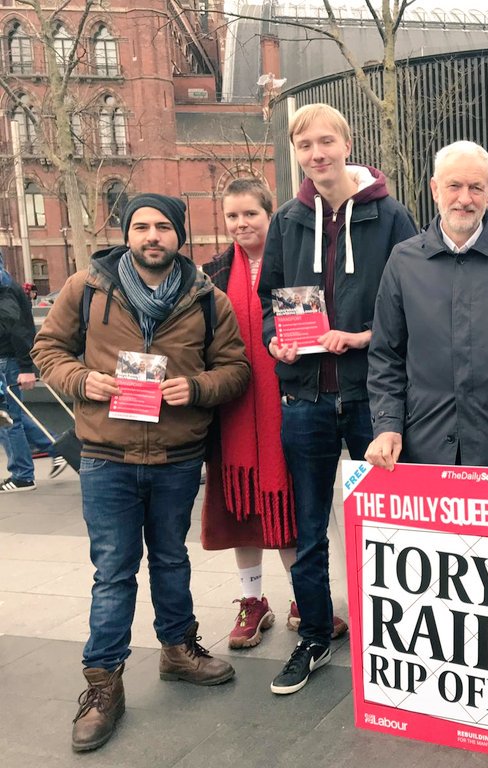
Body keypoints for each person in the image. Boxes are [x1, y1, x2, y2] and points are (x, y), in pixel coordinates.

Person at [32, 193, 251, 752]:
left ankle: (178, 650)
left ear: (179, 235)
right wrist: (82, 380)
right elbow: (48, 349)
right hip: (107, 455)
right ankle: (103, 684)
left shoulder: (207, 298)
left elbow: (236, 369)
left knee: (172, 558)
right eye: (141, 227)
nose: (152, 236)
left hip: (177, 456)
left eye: (163, 227)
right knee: (114, 570)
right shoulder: (86, 287)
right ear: (127, 234)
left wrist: (195, 388)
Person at [258, 103, 417, 695]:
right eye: (305, 145)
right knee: (309, 528)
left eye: (326, 141)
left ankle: (396, 636)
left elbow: (412, 302)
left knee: (387, 524)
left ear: (347, 144)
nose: (316, 153)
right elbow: (272, 301)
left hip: (372, 398)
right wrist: (276, 342)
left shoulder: (390, 215)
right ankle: (315, 635)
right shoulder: (286, 221)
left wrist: (364, 337)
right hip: (305, 398)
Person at [201, 178, 334, 649]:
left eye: (250, 214)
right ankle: (252, 600)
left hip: (289, 402)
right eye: (232, 215)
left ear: (269, 214)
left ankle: (304, 597)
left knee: (295, 505)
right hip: (234, 410)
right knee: (240, 506)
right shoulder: (212, 275)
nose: (241, 223)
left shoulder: (297, 260)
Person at [366, 140, 488, 469]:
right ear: (435, 189)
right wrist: (387, 424)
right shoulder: (404, 261)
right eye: (454, 186)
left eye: (476, 188)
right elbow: (386, 356)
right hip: (423, 445)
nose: (465, 198)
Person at [0, 250, 66, 491]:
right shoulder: (5, 283)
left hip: (6, 361)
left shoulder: (4, 288)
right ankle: (57, 447)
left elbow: (17, 329)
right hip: (7, 359)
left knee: (8, 419)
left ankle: (22, 476)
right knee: (10, 415)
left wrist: (26, 367)